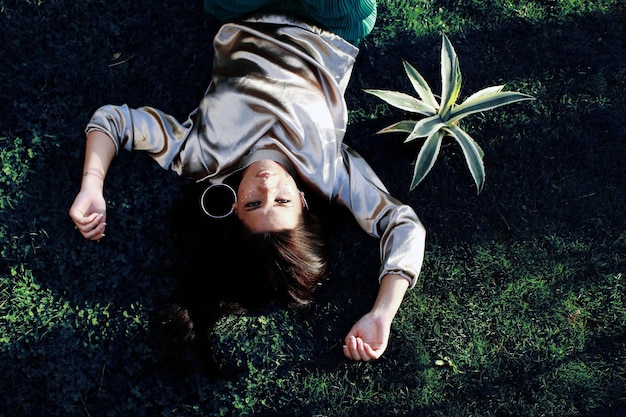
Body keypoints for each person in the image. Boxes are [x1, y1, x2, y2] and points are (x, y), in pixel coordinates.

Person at [69, 0, 426, 370]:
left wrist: (92, 186)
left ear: (235, 209)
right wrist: (383, 313)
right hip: (330, 24)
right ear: (303, 202)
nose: (267, 184)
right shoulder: (330, 174)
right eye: (282, 200)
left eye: (255, 204)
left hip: (244, 10)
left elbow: (114, 121)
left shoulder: (203, 157)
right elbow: (402, 224)